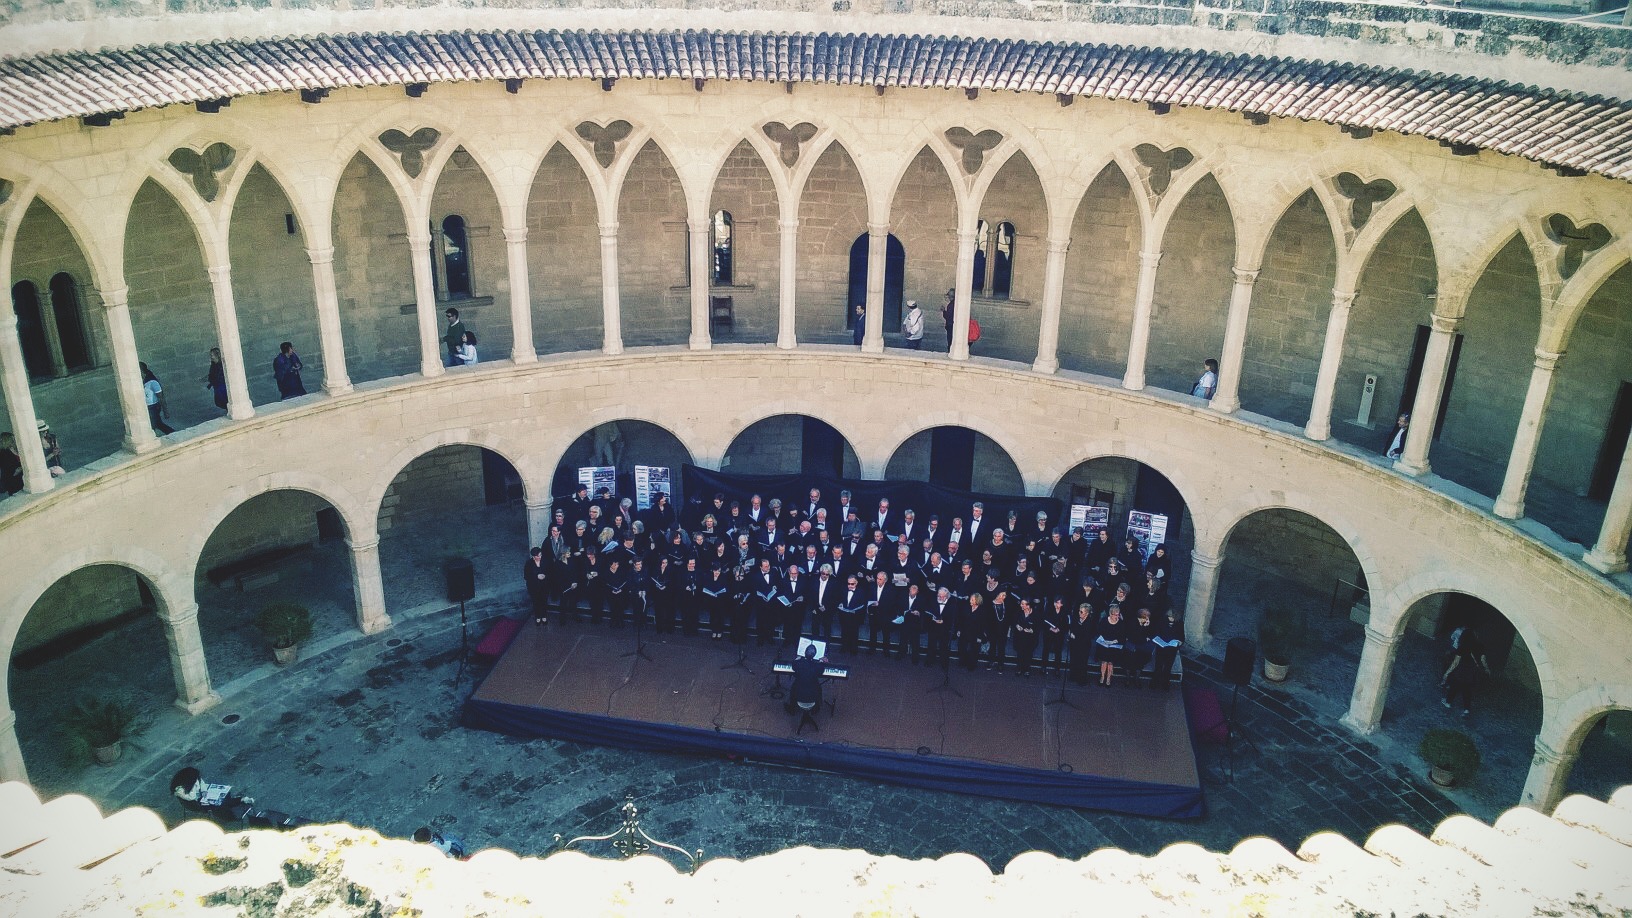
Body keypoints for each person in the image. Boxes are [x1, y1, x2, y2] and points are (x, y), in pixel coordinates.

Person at [1441, 627, 1491, 717]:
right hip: (1472, 673)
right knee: (1467, 691)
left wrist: (1447, 673)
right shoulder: (1480, 646)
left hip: (1461, 672)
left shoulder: (1462, 646)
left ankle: (1448, 702)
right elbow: (1483, 660)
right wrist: (1487, 669)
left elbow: (1455, 663)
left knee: (1454, 687)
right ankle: (1466, 710)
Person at [171, 766, 254, 816]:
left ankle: (235, 802)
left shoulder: (193, 779)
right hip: (195, 803)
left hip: (202, 795)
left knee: (224, 794)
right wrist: (193, 787)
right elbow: (191, 797)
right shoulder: (179, 790)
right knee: (220, 803)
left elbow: (201, 782)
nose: (197, 779)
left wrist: (203, 790)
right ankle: (238, 802)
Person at [785, 643, 828, 729]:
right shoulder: (818, 667)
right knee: (818, 687)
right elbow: (821, 668)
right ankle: (815, 709)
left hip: (799, 695)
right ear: (815, 655)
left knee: (794, 687)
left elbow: (794, 664)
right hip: (812, 697)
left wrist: (798, 658)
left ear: (804, 653)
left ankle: (792, 709)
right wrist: (821, 662)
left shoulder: (797, 664)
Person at [140, 362, 175, 434]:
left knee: (152, 426)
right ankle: (173, 433)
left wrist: (166, 411)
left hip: (153, 407)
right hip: (145, 407)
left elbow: (161, 397)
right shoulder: (140, 381)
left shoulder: (152, 382)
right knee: (158, 424)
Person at [524, 546, 550, 626]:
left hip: (544, 586)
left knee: (544, 601)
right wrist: (536, 576)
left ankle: (544, 616)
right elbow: (526, 576)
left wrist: (545, 576)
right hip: (533, 587)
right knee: (536, 602)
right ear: (533, 556)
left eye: (540, 555)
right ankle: (538, 616)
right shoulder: (528, 563)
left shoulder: (545, 561)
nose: (539, 557)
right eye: (537, 556)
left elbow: (550, 572)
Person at [202, 347, 228, 412]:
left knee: (223, 401)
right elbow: (211, 374)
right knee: (218, 402)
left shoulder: (221, 365)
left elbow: (219, 376)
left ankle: (229, 410)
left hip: (221, 386)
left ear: (217, 355)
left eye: (212, 355)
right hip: (216, 386)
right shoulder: (213, 364)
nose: (211, 357)